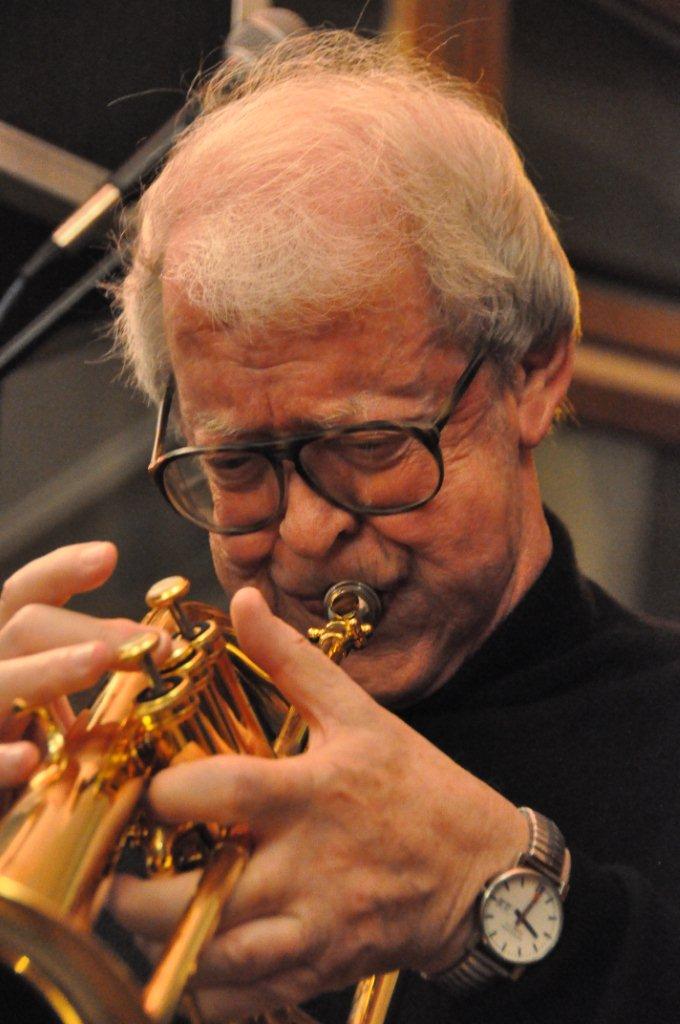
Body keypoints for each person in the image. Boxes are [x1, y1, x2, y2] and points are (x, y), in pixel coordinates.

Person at [1, 30, 679, 1024]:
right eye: (238, 464)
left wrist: (492, 901)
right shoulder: (128, 773)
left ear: (532, 375)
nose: (309, 533)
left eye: (368, 445)